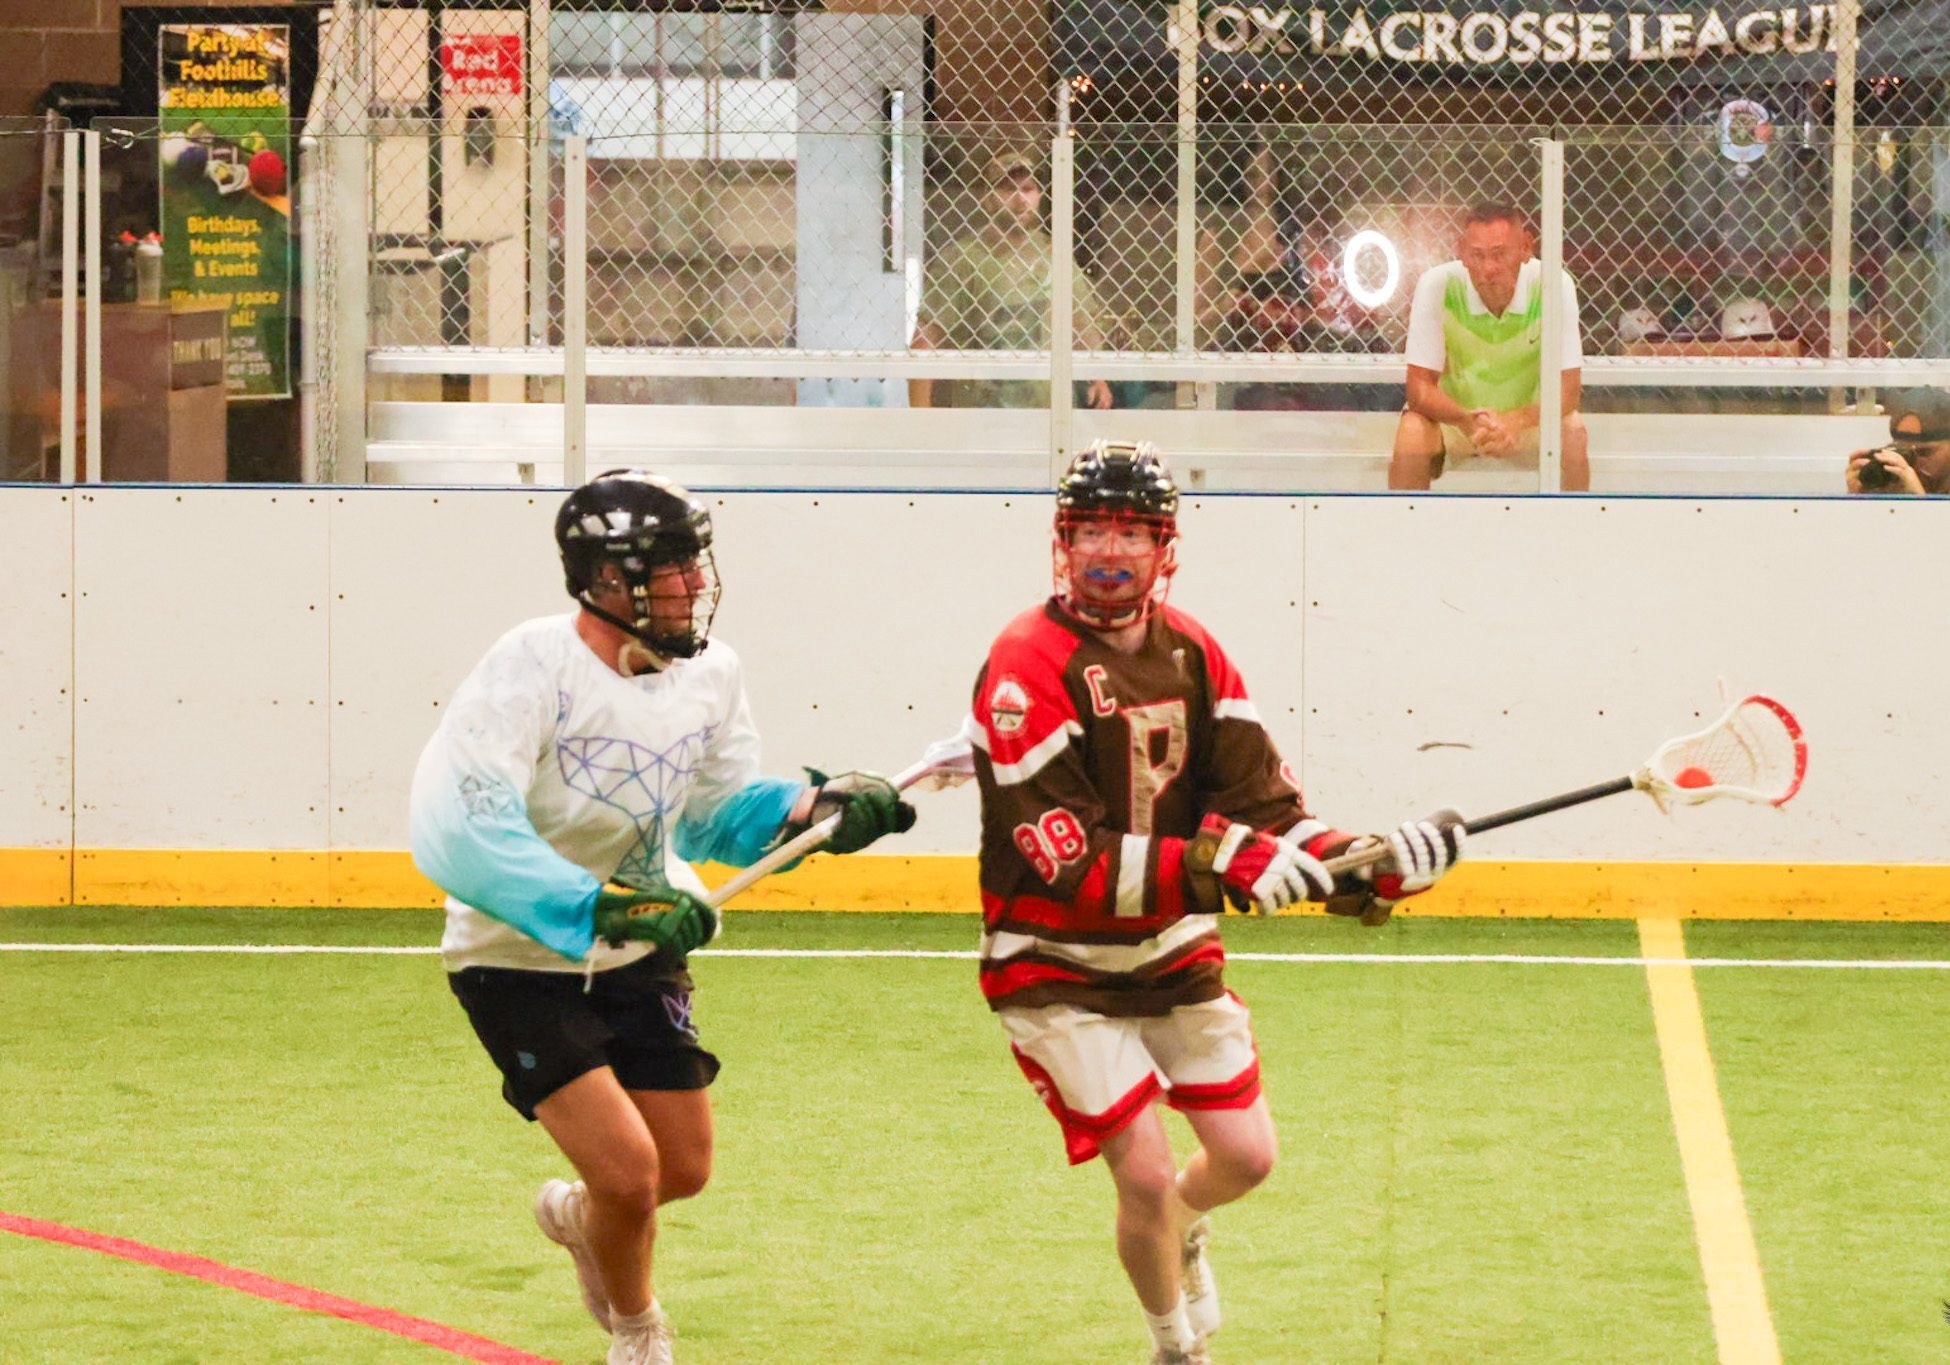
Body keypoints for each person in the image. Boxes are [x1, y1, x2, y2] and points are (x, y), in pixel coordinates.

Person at [967, 439, 1466, 1364]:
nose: (1109, 551)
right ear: (1062, 540)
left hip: (1170, 951)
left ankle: (1181, 1228)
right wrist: (1220, 864)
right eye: (1092, 530)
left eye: (1132, 532)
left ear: (1165, 546)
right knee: (1144, 1173)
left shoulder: (1193, 651)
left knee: (1245, 1156)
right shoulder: (1023, 663)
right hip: (1052, 963)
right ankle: (1175, 1347)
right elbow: (1072, 867)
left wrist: (1368, 866)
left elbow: (1267, 812)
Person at [409, 469, 915, 1365]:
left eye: (695, 562)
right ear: (605, 581)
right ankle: (640, 1330)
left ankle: (581, 1218)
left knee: (680, 1168)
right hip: (517, 957)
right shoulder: (529, 666)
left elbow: (716, 810)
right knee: (630, 1172)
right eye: (670, 565)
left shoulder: (712, 674)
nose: (694, 582)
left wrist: (814, 809)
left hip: (640, 944)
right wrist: (593, 904)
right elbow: (462, 820)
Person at [1389, 203, 1590, 491]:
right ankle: (1401, 520)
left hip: (1529, 424)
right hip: (1457, 423)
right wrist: (1467, 420)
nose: (1489, 268)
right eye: (1478, 255)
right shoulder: (1437, 284)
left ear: (1526, 247)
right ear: (1461, 251)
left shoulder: (1554, 285)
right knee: (1412, 432)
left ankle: (1573, 520)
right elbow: (1419, 390)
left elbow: (1568, 391)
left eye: (1499, 254)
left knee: (1574, 432)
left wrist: (1515, 422)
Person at [910, 148, 1114, 412]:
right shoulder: (962, 259)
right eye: (1008, 190)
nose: (1020, 199)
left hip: (1046, 415)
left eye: (1028, 189)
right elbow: (925, 341)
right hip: (982, 415)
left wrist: (1098, 378)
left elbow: (1081, 321)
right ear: (987, 198)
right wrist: (921, 416)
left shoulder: (1053, 255)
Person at [1845, 386, 1950, 496]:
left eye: (1924, 452)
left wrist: (1921, 504)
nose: (1912, 464)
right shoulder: (1888, 487)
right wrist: (1859, 503)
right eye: (1902, 451)